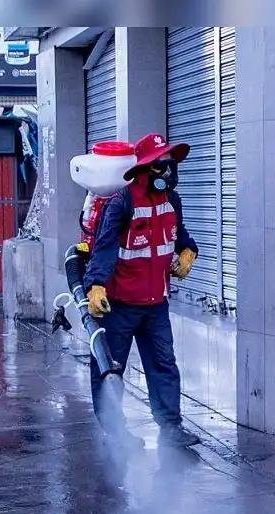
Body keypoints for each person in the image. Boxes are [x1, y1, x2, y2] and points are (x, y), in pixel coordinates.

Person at [83, 133, 201, 450]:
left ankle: (171, 428)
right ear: (147, 167)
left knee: (164, 365)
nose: (170, 172)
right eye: (163, 165)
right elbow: (104, 249)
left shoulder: (171, 201)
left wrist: (189, 252)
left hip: (156, 305)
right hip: (119, 305)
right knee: (110, 369)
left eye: (172, 165)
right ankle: (115, 432)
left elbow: (181, 236)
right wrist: (95, 286)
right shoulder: (122, 202)